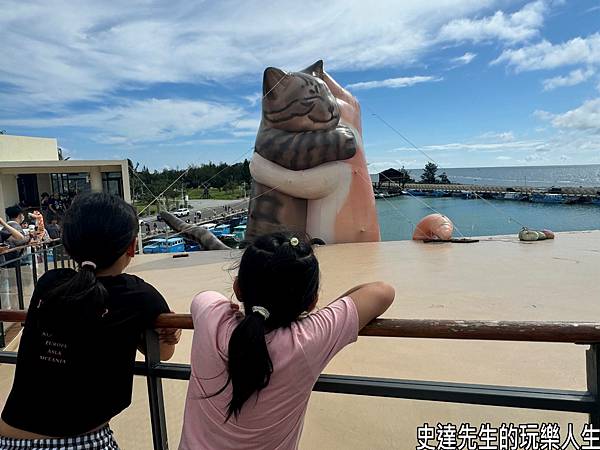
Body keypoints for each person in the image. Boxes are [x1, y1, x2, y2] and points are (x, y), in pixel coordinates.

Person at [179, 232, 395, 449]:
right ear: (312, 303)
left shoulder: (211, 317)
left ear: (238, 289)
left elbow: (205, 297)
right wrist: (321, 317)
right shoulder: (308, 340)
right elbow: (382, 291)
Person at [0, 193, 181, 449]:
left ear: (69, 244)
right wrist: (171, 333)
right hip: (83, 441)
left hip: (9, 440)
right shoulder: (139, 295)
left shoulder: (48, 284)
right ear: (131, 246)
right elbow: (163, 353)